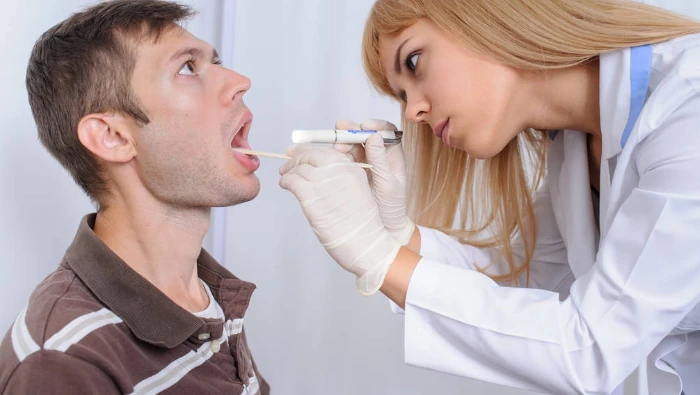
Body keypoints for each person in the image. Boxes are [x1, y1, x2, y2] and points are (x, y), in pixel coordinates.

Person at [279, 0, 700, 394]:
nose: (411, 113)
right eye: (402, 96)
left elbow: (589, 347)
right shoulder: (572, 147)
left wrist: (378, 258)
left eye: (413, 62)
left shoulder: (688, 108)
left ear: (485, 18)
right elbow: (529, 280)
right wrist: (394, 233)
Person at [0, 1, 269, 394]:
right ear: (113, 137)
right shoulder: (63, 361)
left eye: (216, 61)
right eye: (188, 68)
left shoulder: (205, 295)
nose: (240, 80)